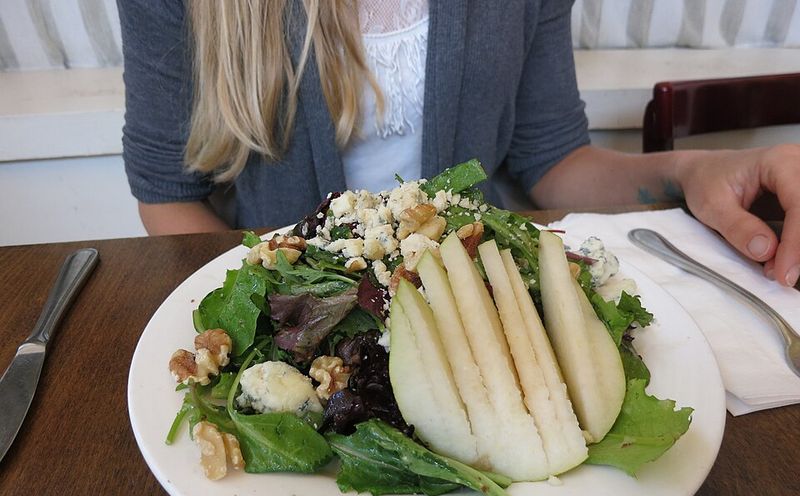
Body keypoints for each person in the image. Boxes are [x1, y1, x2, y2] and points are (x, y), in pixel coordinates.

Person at [117, 0, 800, 287]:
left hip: (482, 286)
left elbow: (552, 160)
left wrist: (693, 171)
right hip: (288, 300)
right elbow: (167, 197)